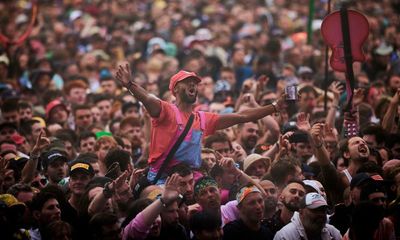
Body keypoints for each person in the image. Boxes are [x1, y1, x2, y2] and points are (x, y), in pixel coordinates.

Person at [115, 65, 286, 184]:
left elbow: (242, 116)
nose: (193, 85)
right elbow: (147, 98)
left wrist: (274, 106)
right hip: (162, 179)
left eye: (195, 83)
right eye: (187, 82)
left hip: (192, 178)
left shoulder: (203, 118)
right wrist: (130, 85)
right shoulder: (166, 111)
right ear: (175, 89)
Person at [274, 192, 342, 240]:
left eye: (323, 210)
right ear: (301, 212)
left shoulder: (333, 233)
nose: (320, 215)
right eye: (315, 210)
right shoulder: (286, 236)